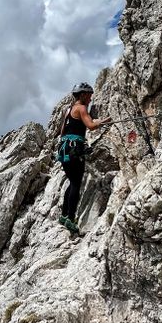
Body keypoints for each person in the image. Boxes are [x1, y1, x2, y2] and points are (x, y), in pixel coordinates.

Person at [57, 82, 111, 234]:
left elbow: (62, 131)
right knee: (76, 183)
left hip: (64, 150)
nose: (90, 98)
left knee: (71, 182)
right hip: (75, 150)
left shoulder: (68, 110)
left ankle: (63, 215)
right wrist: (103, 121)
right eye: (89, 95)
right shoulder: (81, 108)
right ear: (82, 95)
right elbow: (91, 126)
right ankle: (71, 218)